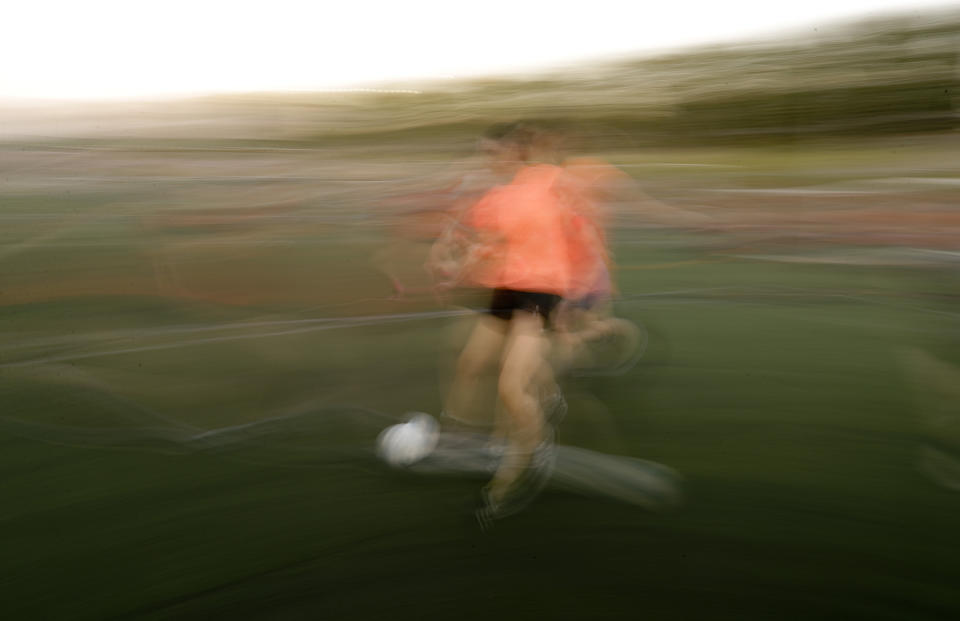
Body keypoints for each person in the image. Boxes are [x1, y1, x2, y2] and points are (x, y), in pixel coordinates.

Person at [429, 122, 585, 524]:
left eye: (493, 153)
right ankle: (461, 437)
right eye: (484, 154)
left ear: (516, 151)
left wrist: (573, 303)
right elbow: (487, 243)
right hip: (507, 288)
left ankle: (523, 463)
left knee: (511, 387)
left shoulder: (548, 179)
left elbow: (574, 226)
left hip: (541, 292)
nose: (488, 161)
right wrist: (455, 263)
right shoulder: (495, 198)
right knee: (469, 364)